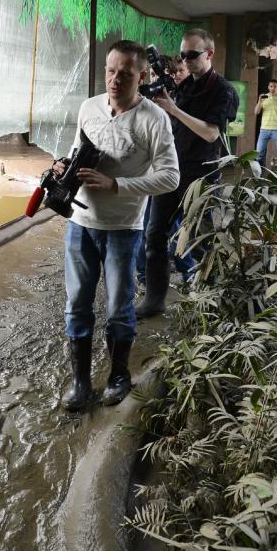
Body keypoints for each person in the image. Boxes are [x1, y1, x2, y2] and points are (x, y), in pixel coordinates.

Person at [55, 40, 179, 411]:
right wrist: (66, 167)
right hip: (80, 221)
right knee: (77, 303)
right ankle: (80, 382)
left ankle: (119, 375)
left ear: (141, 76)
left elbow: (171, 177)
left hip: (124, 228)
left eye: (125, 74)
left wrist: (117, 185)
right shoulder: (89, 107)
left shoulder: (153, 119)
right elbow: (80, 150)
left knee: (118, 306)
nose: (115, 79)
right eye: (110, 71)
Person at [136, 28, 237, 318]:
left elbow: (210, 134)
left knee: (203, 240)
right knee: (154, 236)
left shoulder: (223, 91)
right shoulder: (184, 86)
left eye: (192, 55)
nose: (186, 60)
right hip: (170, 172)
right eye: (183, 55)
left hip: (200, 178)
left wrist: (174, 109)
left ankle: (214, 300)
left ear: (210, 54)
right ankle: (155, 299)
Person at [135, 55, 195, 284]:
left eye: (178, 71)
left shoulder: (181, 101)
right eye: (151, 75)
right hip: (149, 174)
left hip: (175, 174)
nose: (154, 81)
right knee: (148, 226)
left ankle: (185, 269)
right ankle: (145, 274)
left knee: (171, 226)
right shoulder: (143, 101)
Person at [255, 79, 277, 167]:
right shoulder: (264, 98)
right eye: (271, 86)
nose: (273, 88)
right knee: (259, 152)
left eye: (275, 86)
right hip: (264, 129)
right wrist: (259, 101)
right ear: (268, 87)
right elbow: (256, 112)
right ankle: (260, 172)